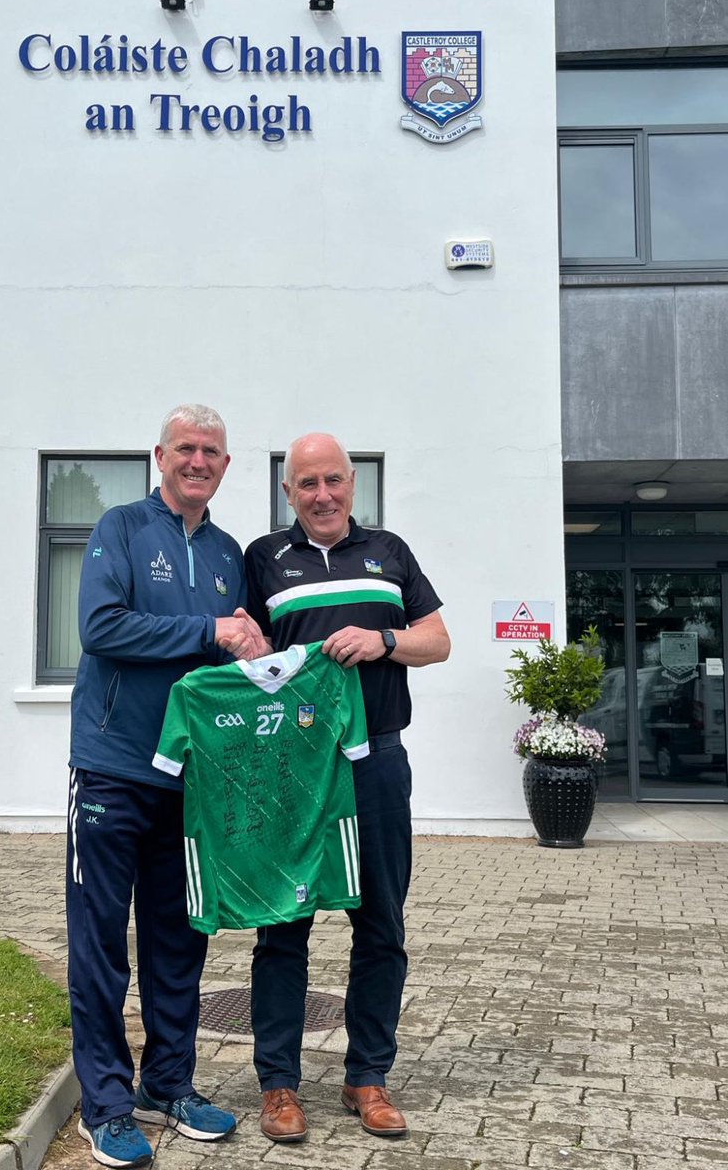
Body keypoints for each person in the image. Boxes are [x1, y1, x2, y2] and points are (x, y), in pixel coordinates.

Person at [67, 404, 265, 1168]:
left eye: (211, 451)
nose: (197, 460)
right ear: (160, 456)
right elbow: (100, 627)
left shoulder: (226, 554)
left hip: (192, 775)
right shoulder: (118, 528)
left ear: (224, 465)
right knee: (99, 945)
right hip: (113, 766)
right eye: (186, 448)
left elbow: (235, 660)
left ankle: (168, 1084)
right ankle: (106, 1103)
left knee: (179, 939)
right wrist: (209, 632)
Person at [243, 432, 451, 1143]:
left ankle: (367, 1076)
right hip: (293, 769)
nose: (322, 494)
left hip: (377, 764)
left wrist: (383, 640)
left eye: (333, 480)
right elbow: (250, 653)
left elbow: (438, 639)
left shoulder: (389, 552)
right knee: (283, 924)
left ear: (352, 483)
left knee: (381, 923)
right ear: (288, 491)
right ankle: (277, 1085)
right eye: (308, 484)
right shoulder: (262, 559)